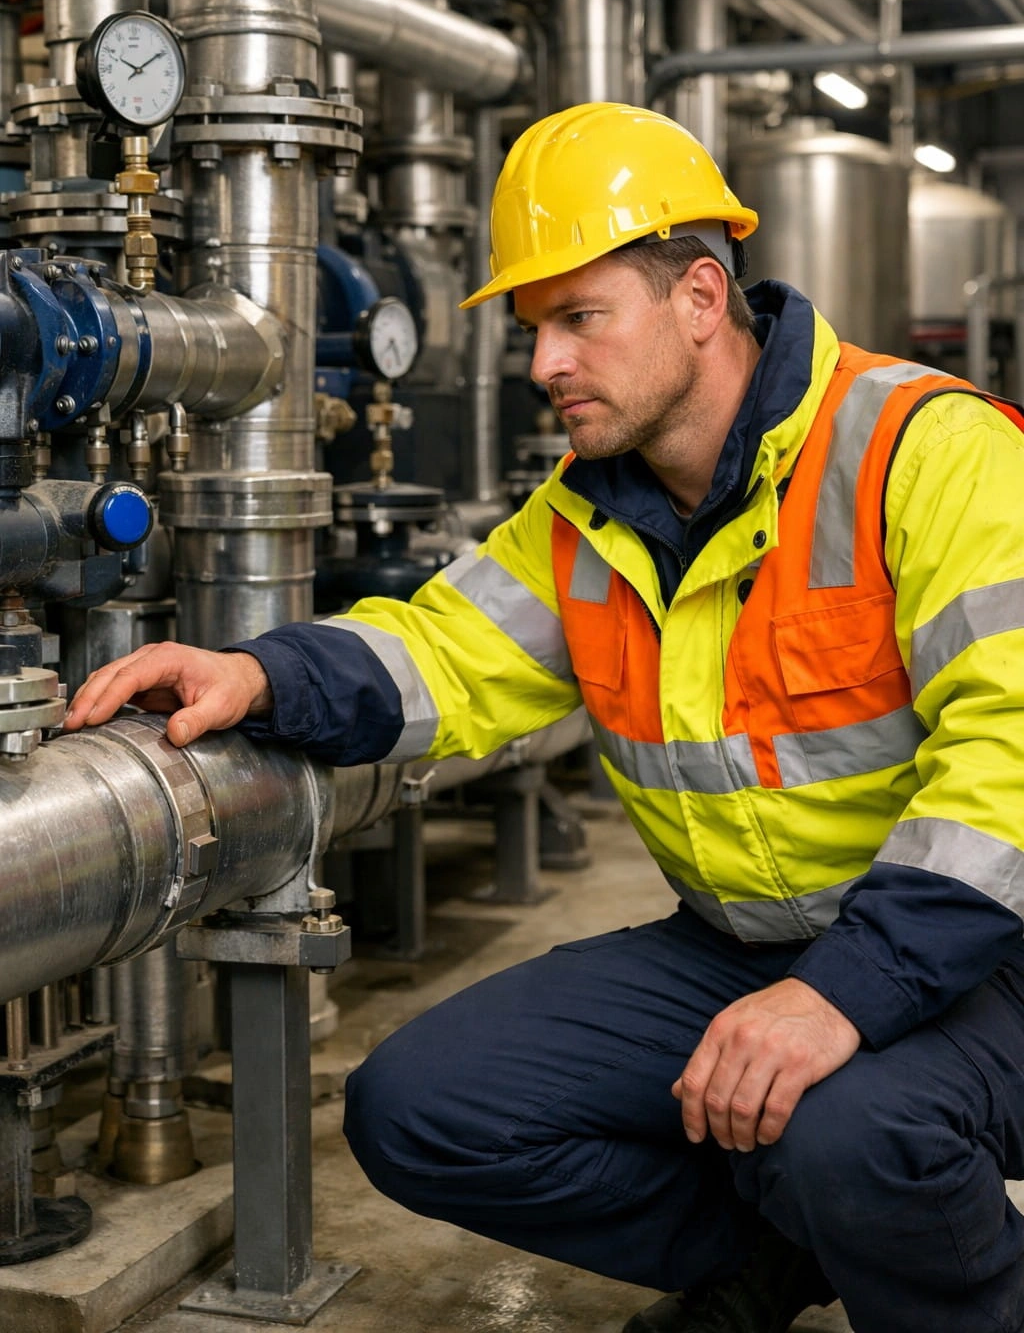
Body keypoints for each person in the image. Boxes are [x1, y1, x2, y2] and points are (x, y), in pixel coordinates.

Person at [66, 102, 1024, 1333]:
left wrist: (840, 995)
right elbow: (446, 651)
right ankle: (790, 1251)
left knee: (843, 1129)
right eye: (535, 329)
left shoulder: (925, 450)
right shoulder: (591, 513)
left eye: (580, 319)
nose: (544, 365)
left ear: (695, 297)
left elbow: (1009, 759)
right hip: (745, 945)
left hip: (979, 952)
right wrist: (260, 677)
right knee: (422, 1107)